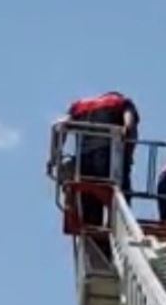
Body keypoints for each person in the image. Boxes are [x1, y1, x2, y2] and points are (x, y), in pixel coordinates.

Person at [51, 91, 140, 227]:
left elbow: (61, 127)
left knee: (90, 211)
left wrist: (55, 157)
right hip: (109, 159)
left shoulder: (80, 106)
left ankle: (95, 236)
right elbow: (129, 126)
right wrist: (128, 155)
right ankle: (118, 227)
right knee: (121, 202)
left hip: (83, 163)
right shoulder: (121, 102)